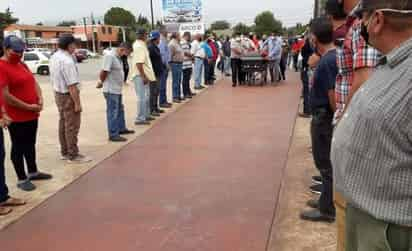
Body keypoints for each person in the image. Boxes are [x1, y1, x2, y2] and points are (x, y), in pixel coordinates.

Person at [332, 1, 412, 249]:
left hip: (389, 230)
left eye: (362, 19)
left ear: (376, 21)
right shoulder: (393, 63)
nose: (358, 27)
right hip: (368, 216)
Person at [0, 35, 53, 191]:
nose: (19, 54)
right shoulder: (2, 66)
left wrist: (40, 97)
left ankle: (33, 171)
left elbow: (33, 81)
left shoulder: (21, 64)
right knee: (19, 146)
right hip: (17, 116)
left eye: (21, 51)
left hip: (32, 113)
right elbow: (6, 96)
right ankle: (21, 178)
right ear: (6, 49)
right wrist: (28, 107)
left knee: (30, 144)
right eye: (16, 52)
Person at [299, 17, 337, 223]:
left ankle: (327, 208)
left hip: (324, 117)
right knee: (324, 162)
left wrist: (335, 120)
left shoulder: (327, 61)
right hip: (323, 116)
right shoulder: (328, 59)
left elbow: (332, 94)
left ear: (314, 38)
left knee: (325, 162)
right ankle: (326, 196)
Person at [50, 34, 92, 164]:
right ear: (69, 45)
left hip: (58, 93)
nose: (76, 47)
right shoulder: (67, 61)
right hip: (68, 95)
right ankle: (73, 154)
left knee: (63, 124)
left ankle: (65, 151)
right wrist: (77, 103)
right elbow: (72, 85)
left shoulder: (55, 56)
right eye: (74, 44)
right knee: (72, 126)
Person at [99, 43, 135, 142]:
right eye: (128, 52)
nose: (127, 55)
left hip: (117, 89)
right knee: (113, 112)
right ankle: (113, 134)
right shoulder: (110, 56)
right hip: (110, 89)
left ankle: (121, 128)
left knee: (120, 109)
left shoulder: (118, 57)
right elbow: (104, 72)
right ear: (123, 49)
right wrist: (101, 82)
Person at [131, 28, 156, 125]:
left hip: (143, 75)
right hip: (140, 75)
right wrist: (143, 76)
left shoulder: (141, 45)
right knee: (142, 97)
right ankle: (140, 118)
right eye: (146, 34)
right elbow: (139, 63)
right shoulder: (139, 46)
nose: (147, 36)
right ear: (142, 35)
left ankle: (146, 115)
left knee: (146, 96)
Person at [147, 31, 166, 117]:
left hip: (158, 72)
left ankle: (155, 107)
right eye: (159, 38)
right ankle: (152, 109)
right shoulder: (151, 48)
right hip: (153, 73)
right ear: (156, 38)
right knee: (153, 92)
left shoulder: (155, 47)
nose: (159, 40)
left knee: (156, 91)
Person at [158, 29, 172, 109]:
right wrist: (167, 65)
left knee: (164, 85)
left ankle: (164, 101)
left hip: (165, 65)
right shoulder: (161, 42)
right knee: (162, 85)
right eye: (166, 31)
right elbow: (162, 55)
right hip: (163, 66)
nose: (167, 33)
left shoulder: (165, 41)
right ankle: (162, 102)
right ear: (162, 33)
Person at [168, 33, 184, 103]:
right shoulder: (172, 44)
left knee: (179, 80)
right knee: (175, 81)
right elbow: (170, 55)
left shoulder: (177, 43)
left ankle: (178, 95)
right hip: (175, 64)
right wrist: (170, 65)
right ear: (176, 36)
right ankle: (175, 97)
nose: (180, 37)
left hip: (179, 63)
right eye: (179, 35)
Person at [181, 32, 196, 99]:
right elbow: (184, 52)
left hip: (188, 63)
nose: (190, 38)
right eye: (189, 36)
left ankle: (188, 91)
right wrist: (191, 55)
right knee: (185, 79)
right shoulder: (183, 42)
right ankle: (185, 93)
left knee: (188, 79)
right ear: (186, 36)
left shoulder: (187, 43)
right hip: (185, 64)